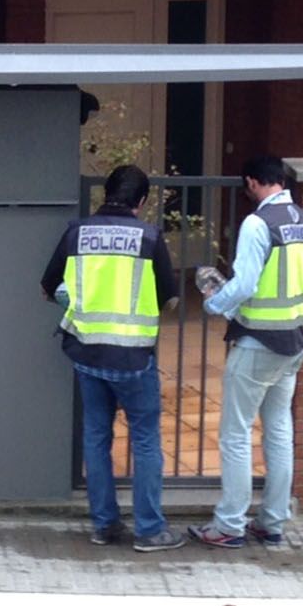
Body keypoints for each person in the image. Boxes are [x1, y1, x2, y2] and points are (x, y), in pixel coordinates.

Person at [40, 164, 185, 552]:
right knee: (146, 442)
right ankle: (150, 531)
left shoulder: (77, 233)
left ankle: (104, 526)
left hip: (87, 353)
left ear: (106, 193)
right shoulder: (149, 237)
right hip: (133, 359)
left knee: (96, 437)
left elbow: (48, 286)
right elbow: (169, 297)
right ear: (142, 200)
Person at [189, 155, 303, 550]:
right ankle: (271, 522)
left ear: (252, 182)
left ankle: (230, 525)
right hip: (293, 343)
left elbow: (245, 282)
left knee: (235, 434)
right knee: (279, 431)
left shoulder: (257, 223)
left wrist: (214, 303)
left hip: (256, 342)